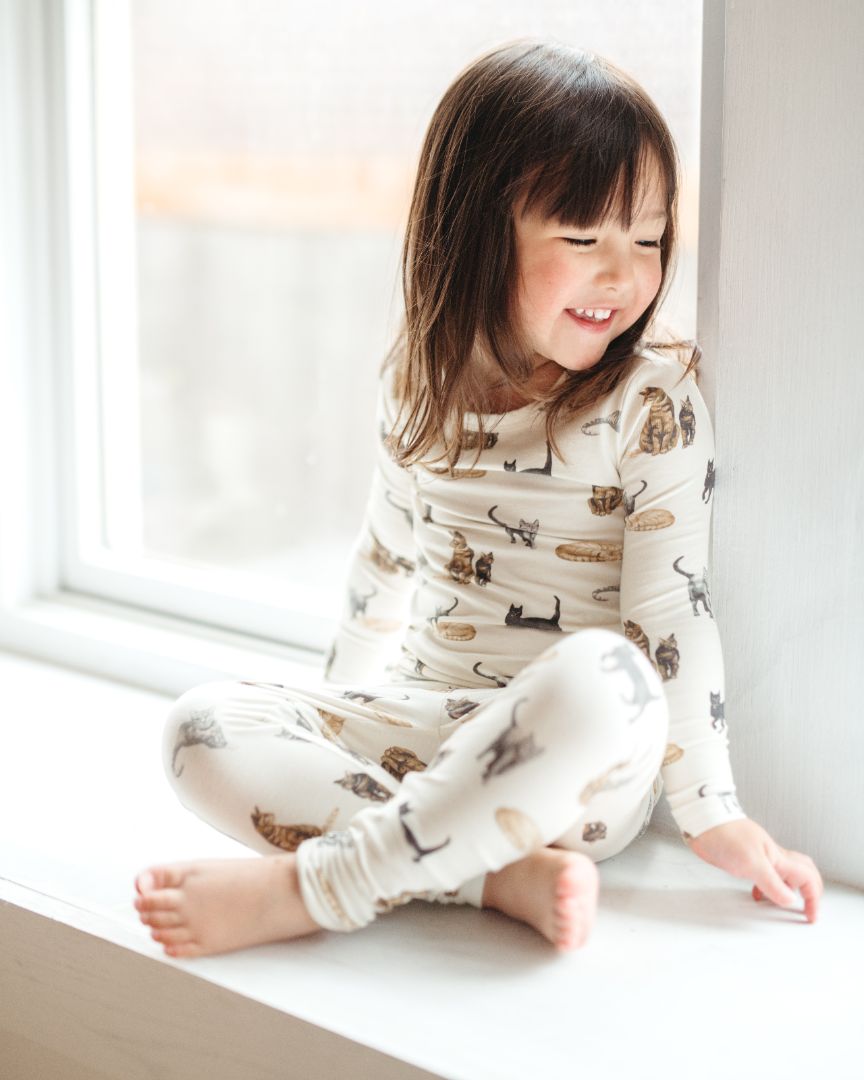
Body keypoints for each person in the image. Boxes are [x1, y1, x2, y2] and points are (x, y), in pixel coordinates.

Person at [134, 39, 823, 959]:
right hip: (428, 727)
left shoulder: (650, 403)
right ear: (473, 230)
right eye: (583, 239)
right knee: (201, 727)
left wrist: (712, 811)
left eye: (650, 239)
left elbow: (671, 614)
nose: (624, 275)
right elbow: (381, 567)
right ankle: (487, 876)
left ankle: (321, 885)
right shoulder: (417, 382)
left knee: (611, 680)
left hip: (570, 767)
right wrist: (339, 709)